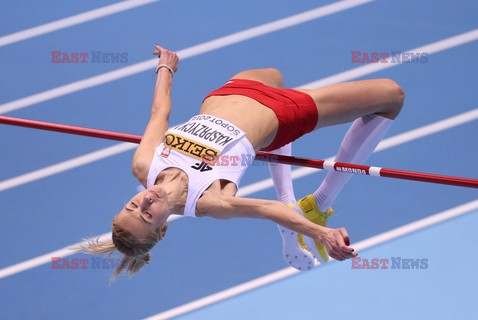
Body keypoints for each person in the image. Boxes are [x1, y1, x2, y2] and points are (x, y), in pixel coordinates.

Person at [80, 45, 404, 278]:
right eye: (147, 214)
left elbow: (159, 113)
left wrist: (166, 68)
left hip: (228, 93)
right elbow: (266, 210)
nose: (144, 201)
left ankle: (292, 200)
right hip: (283, 113)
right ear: (162, 228)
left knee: (275, 73)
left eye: (132, 206)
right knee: (391, 96)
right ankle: (320, 202)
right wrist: (321, 234)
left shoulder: (143, 166)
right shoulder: (210, 201)